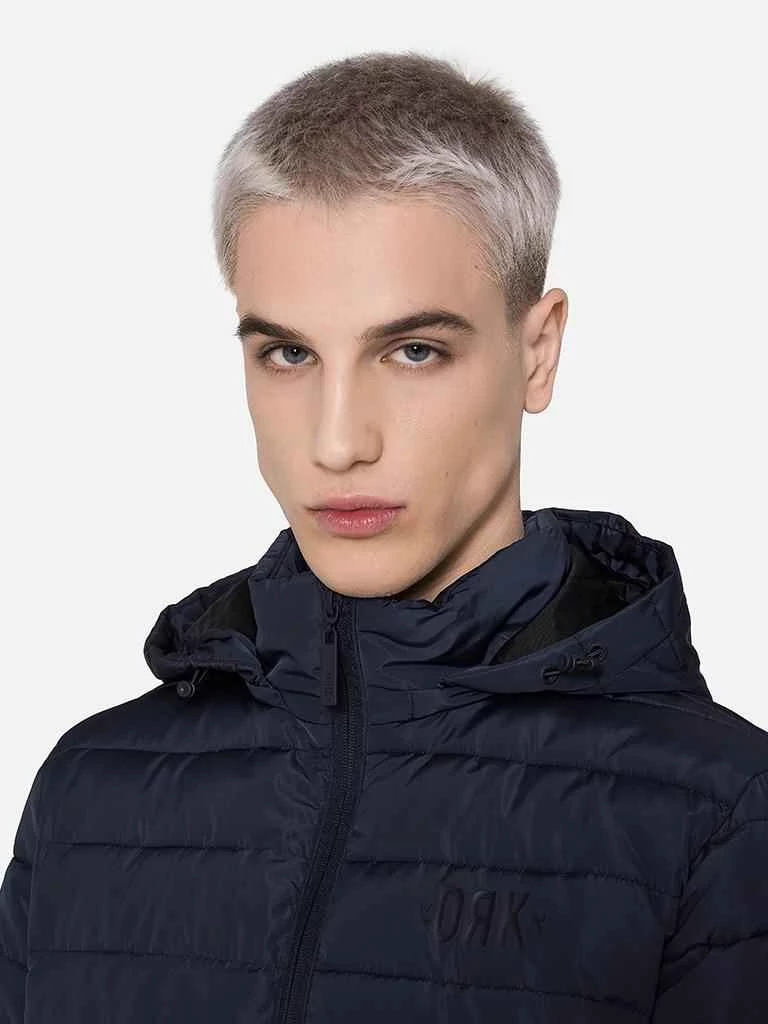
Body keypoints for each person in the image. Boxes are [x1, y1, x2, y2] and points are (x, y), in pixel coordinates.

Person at [2, 50, 767, 1024]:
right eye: (289, 353)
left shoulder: (720, 812)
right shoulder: (89, 791)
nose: (337, 442)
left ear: (537, 351)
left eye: (412, 351)